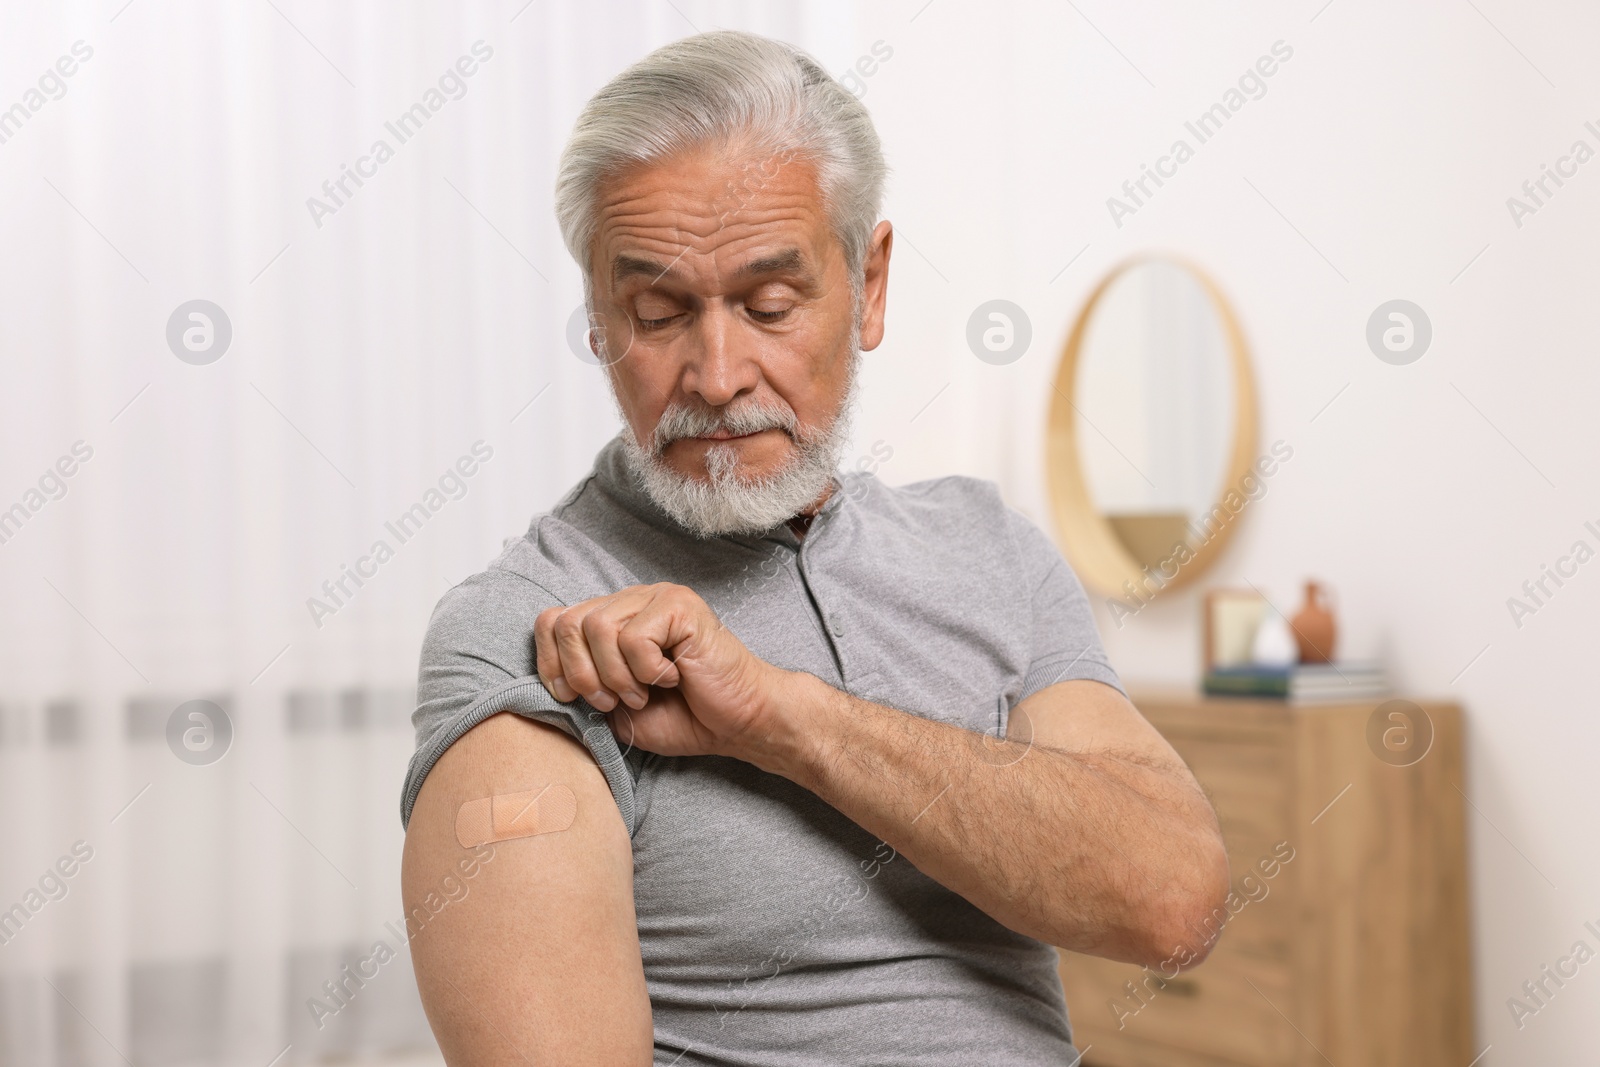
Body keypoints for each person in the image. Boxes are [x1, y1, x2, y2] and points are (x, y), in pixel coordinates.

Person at [399, 28, 1228, 1066]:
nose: (716, 372)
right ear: (600, 317)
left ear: (869, 283)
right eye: (656, 311)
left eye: (769, 304)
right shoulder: (529, 632)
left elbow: (1172, 901)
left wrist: (777, 716)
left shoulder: (989, 550)